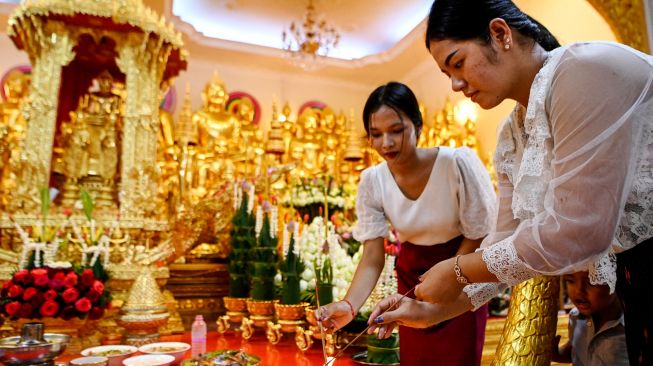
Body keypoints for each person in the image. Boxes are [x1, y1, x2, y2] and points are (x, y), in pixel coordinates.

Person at [368, 1, 653, 365]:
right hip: (637, 281)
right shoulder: (512, 134)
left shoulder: (580, 71)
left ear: (500, 34)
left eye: (458, 63)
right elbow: (503, 242)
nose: (456, 85)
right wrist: (433, 311)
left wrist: (457, 270)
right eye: (446, 74)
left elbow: (580, 232)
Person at [317, 81, 496, 365]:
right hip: (413, 281)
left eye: (396, 131)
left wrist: (449, 281)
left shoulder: (456, 164)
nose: (385, 143)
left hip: (459, 276)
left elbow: (479, 233)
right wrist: (349, 305)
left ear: (417, 125)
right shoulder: (373, 181)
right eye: (376, 135)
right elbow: (373, 256)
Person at [551, 262, 629, 365]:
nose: (579, 291)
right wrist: (556, 354)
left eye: (591, 281)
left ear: (617, 280)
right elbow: (576, 352)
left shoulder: (630, 328)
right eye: (570, 280)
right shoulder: (575, 317)